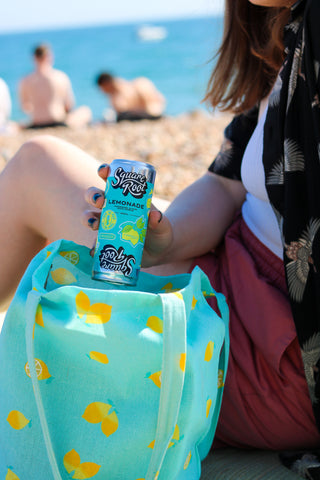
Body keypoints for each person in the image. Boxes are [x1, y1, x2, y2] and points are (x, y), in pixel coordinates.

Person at [1, 0, 320, 474]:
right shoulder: (289, 38)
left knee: (36, 167)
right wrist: (168, 239)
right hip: (233, 273)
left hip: (272, 351)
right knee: (40, 164)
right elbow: (224, 183)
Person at [19, 44, 92, 129]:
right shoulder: (60, 76)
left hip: (36, 123)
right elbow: (69, 105)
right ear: (49, 56)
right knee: (86, 111)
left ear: (34, 57)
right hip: (58, 122)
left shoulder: (25, 80)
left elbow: (25, 107)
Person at [96, 72, 166, 122]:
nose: (102, 91)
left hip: (150, 110)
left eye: (102, 88)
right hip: (148, 112)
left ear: (106, 84)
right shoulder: (114, 96)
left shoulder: (136, 85)